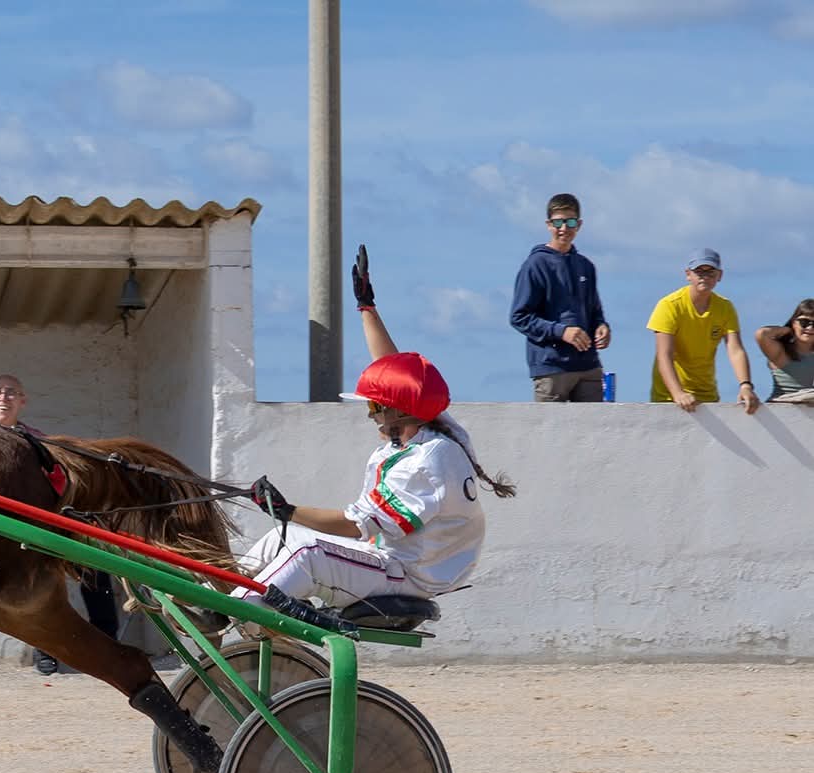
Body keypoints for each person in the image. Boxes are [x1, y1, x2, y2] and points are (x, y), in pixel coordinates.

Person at [238, 246, 516, 615]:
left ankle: (237, 609)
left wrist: (287, 510)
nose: (370, 415)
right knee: (280, 540)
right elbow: (393, 369)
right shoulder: (433, 427)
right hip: (391, 562)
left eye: (373, 408)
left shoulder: (427, 461)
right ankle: (216, 594)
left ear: (399, 413)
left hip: (408, 575)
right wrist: (367, 307)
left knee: (306, 552)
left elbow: (355, 527)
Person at [0, 374, 119, 675]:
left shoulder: (36, 440)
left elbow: (58, 481)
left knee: (92, 561)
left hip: (38, 522)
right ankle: (45, 648)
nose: (3, 398)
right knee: (36, 580)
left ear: (22, 401)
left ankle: (108, 643)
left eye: (11, 393)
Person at [509, 192, 610, 401]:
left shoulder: (586, 266)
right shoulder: (535, 265)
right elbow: (519, 317)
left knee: (594, 431)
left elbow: (595, 312)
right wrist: (561, 331)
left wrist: (602, 327)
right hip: (551, 368)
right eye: (558, 222)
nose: (564, 228)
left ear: (579, 225)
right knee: (549, 432)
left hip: (588, 366)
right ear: (548, 224)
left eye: (570, 221)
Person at [647, 250, 761, 414]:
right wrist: (678, 393)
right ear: (688, 274)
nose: (704, 277)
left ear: (719, 275)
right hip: (668, 397)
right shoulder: (669, 305)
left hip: (707, 395)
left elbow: (735, 349)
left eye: (710, 272)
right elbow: (664, 354)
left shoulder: (725, 307)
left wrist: (745, 385)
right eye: (699, 271)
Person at [752, 298, 814, 404]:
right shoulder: (781, 352)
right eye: (804, 322)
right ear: (794, 323)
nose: (810, 327)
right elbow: (761, 334)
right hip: (782, 407)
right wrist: (787, 329)